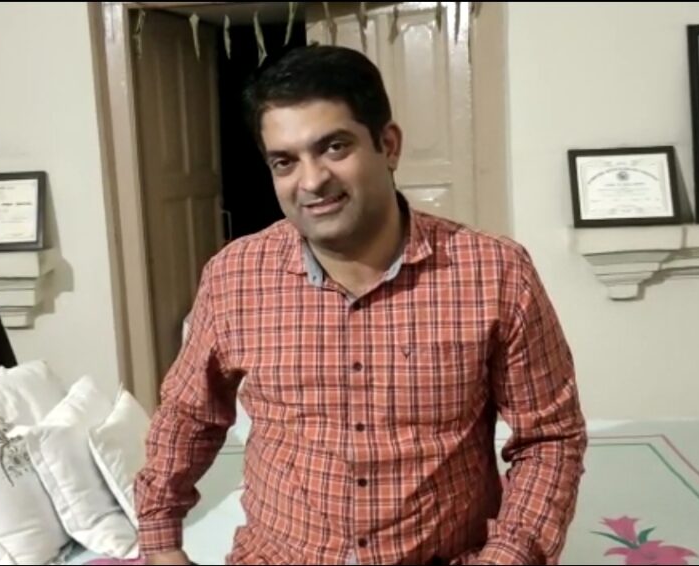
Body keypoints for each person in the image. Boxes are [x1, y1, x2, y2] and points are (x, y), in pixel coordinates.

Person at [135, 45, 587, 566]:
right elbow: (189, 414)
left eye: (334, 147)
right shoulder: (235, 276)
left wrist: (506, 558)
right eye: (285, 161)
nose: (311, 181)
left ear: (388, 145)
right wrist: (160, 541)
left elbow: (549, 438)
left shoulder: (495, 272)